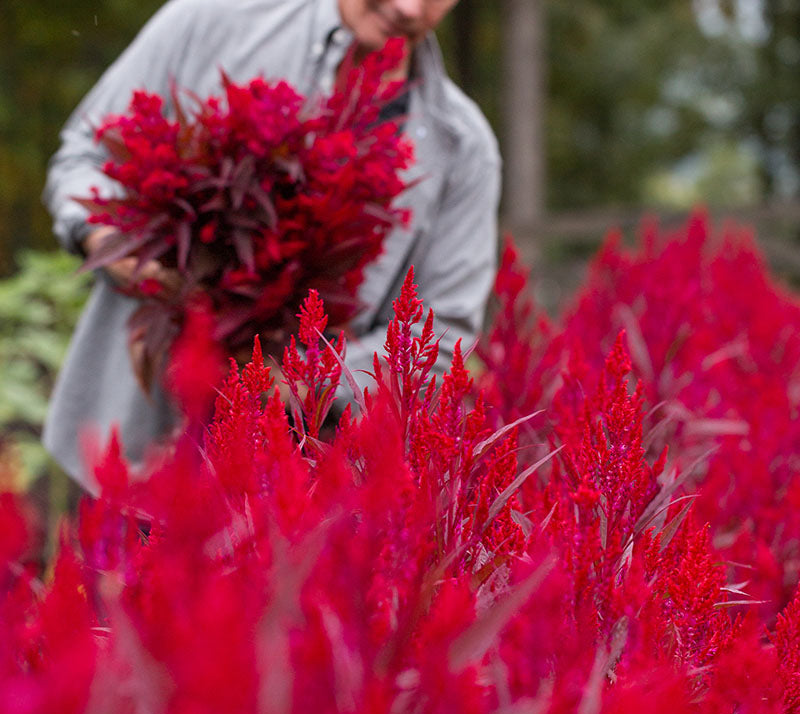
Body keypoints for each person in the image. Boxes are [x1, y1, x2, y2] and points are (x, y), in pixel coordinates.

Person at [43, 0, 501, 491]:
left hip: (289, 496)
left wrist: (300, 381)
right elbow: (84, 157)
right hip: (119, 456)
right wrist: (118, 247)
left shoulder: (464, 147)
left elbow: (441, 339)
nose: (408, 8)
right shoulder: (213, 19)